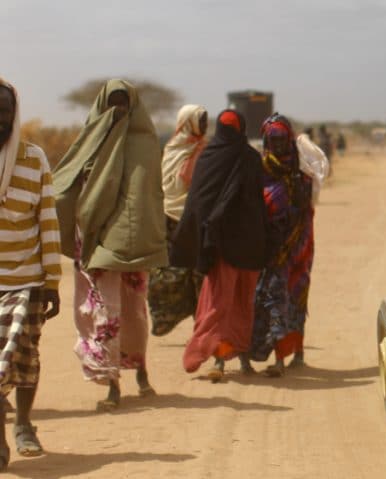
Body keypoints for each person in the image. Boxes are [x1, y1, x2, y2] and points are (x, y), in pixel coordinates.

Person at [52, 79, 166, 411]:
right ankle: (113, 382)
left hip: (132, 240)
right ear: (101, 106)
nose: (117, 110)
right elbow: (67, 182)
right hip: (93, 239)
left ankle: (141, 371)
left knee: (134, 311)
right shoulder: (90, 140)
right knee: (105, 311)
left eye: (123, 103)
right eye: (112, 103)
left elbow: (149, 195)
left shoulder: (144, 144)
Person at [171, 110, 267, 381]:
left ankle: (220, 356)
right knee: (240, 301)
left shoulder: (209, 157)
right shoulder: (250, 158)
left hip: (224, 242)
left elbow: (198, 203)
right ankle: (225, 359)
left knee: (219, 301)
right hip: (246, 241)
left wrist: (198, 237)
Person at [0, 78, 62, 469]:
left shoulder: (34, 159)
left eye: (4, 108)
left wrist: (52, 281)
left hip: (27, 279)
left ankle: (23, 423)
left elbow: (48, 222)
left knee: (22, 355)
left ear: (14, 113)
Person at [249, 114, 315, 377]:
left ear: (289, 140)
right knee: (276, 298)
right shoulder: (260, 169)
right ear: (265, 140)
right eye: (272, 140)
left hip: (299, 245)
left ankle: (296, 353)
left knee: (297, 296)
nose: (277, 145)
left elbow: (307, 206)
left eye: (281, 139)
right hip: (272, 247)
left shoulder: (302, 169)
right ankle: (279, 357)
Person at [147, 104, 207, 336]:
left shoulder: (189, 148)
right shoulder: (175, 148)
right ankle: (168, 316)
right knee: (174, 272)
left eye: (204, 121)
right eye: (199, 121)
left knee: (197, 274)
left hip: (188, 217)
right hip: (174, 218)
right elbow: (177, 180)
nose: (202, 127)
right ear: (188, 123)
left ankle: (199, 324)